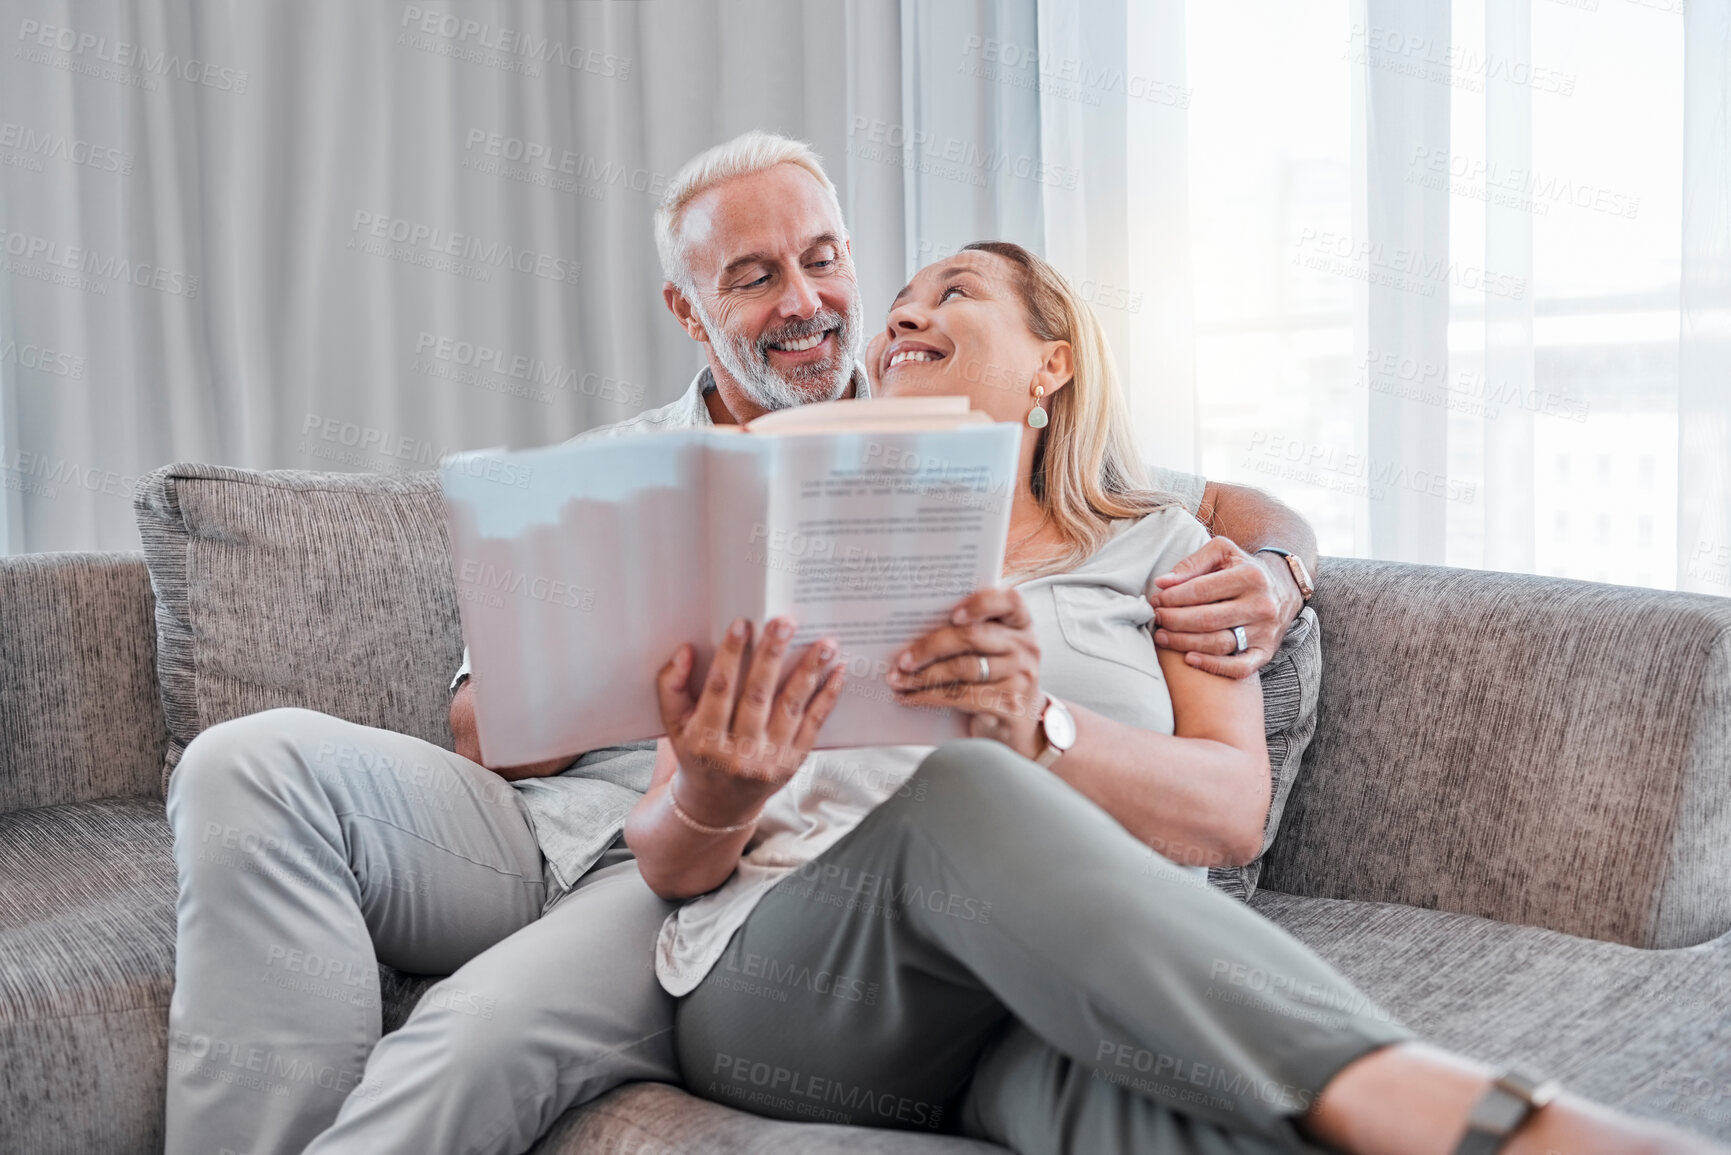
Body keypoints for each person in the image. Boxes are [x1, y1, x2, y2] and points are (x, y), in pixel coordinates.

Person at [165, 132, 1314, 1155]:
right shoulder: (622, 466)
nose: (806, 301)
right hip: (566, 823)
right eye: (755, 277)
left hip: (730, 861)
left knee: (475, 1039)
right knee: (242, 758)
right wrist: (650, 655)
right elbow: (483, 737)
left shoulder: (939, 419)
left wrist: (1277, 570)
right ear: (689, 309)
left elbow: (1171, 501)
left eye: (824, 259)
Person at [624, 240, 1722, 1155]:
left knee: (1162, 1116)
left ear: (1051, 366)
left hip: (1042, 1002)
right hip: (800, 984)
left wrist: (1041, 730)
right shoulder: (780, 538)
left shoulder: (1168, 552)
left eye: (951, 293)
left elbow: (1230, 809)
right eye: (897, 308)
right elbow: (668, 860)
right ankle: (1464, 1111)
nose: (903, 318)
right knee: (964, 781)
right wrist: (719, 792)